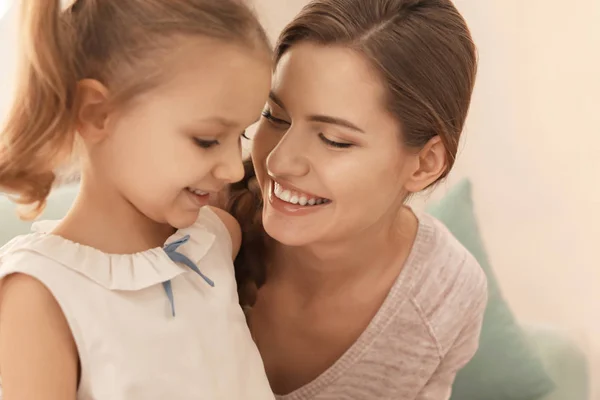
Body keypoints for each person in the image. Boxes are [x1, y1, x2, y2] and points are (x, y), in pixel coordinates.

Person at [0, 0, 274, 399]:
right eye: (207, 140)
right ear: (95, 113)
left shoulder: (216, 239)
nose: (233, 170)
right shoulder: (40, 296)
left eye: (241, 137)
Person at [227, 0, 488, 398]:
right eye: (274, 116)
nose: (279, 161)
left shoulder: (443, 297)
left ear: (424, 164)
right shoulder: (193, 220)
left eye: (335, 140)